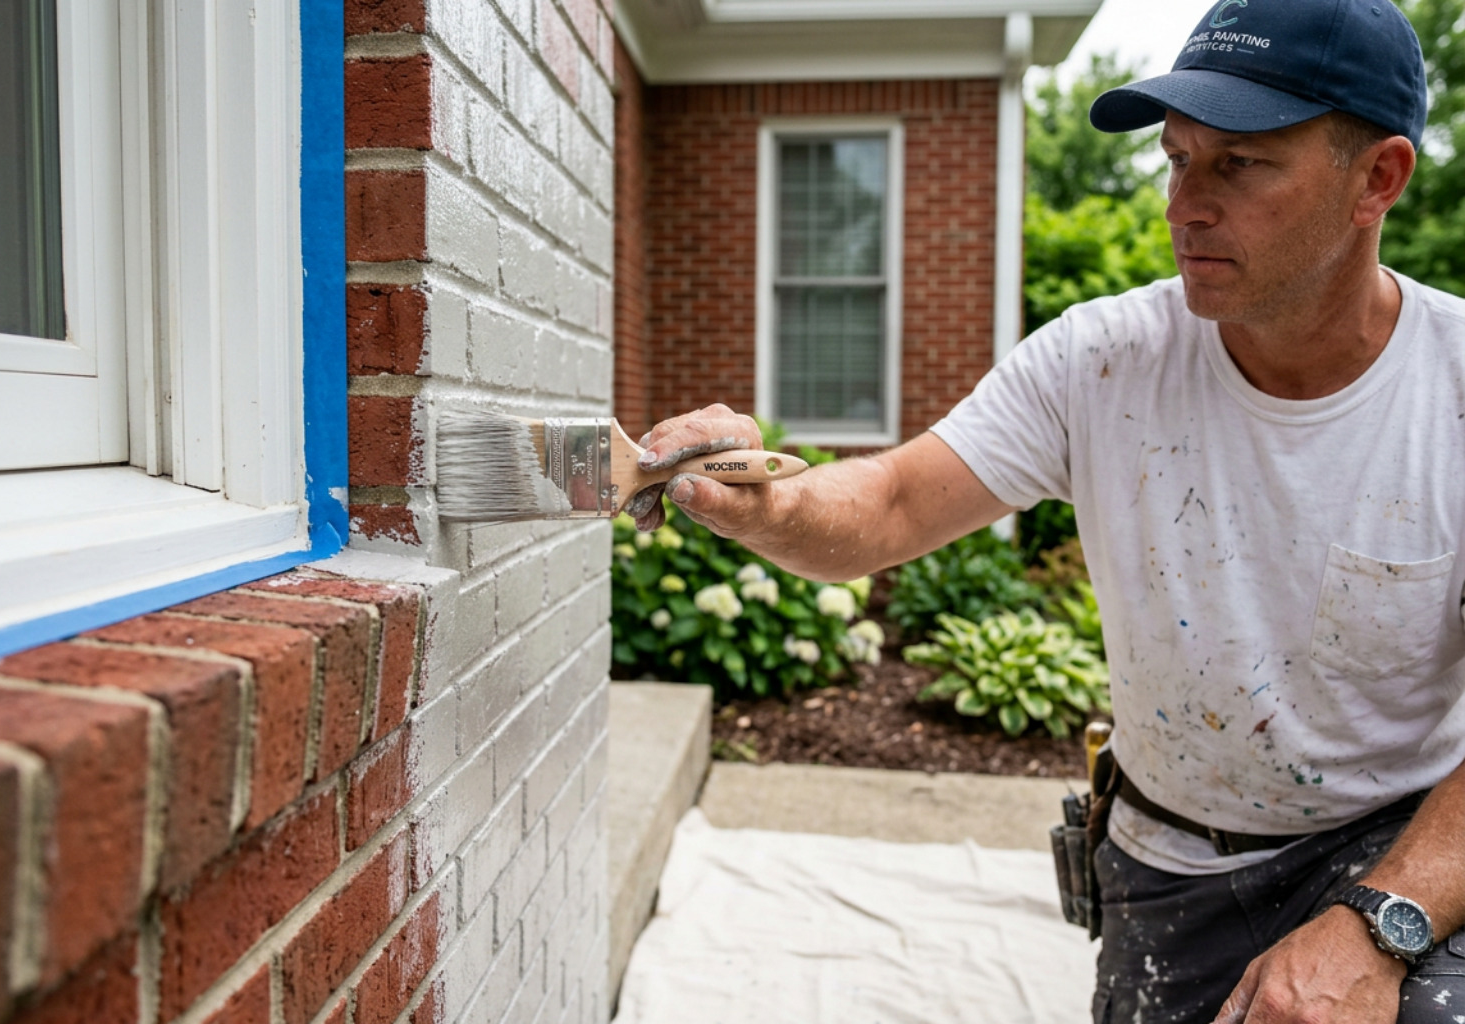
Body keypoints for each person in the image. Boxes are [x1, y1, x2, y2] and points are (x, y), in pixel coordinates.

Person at [626, 0, 1465, 1020]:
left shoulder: (1452, 390)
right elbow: (889, 501)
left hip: (1400, 853)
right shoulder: (1102, 360)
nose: (1183, 204)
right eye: (1178, 158)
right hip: (1167, 863)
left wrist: (1382, 921)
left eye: (1239, 165)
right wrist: (756, 497)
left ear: (1378, 178)